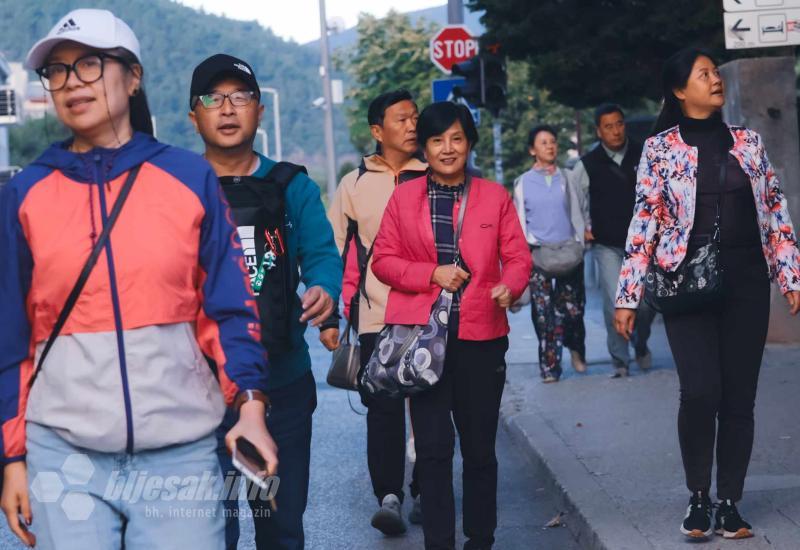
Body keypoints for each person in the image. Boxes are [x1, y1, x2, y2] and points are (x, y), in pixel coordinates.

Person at [0, 9, 277, 550]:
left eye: (88, 65)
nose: (71, 82)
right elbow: (10, 338)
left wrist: (250, 404)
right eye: (56, 72)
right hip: (64, 451)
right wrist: (12, 457)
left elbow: (227, 307)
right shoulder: (26, 194)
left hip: (182, 451)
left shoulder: (186, 177)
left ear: (133, 77)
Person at [614, 47, 800, 541]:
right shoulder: (658, 149)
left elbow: (776, 212)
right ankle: (698, 498)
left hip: (746, 283)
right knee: (700, 392)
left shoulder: (749, 143)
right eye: (703, 74)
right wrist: (627, 295)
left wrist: (790, 275)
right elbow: (644, 222)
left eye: (715, 72)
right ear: (679, 91)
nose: (715, 79)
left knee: (739, 398)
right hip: (685, 283)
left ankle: (730, 502)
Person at [188, 53, 342, 549]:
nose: (228, 108)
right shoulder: (174, 187)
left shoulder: (292, 185)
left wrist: (323, 288)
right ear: (195, 116)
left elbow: (321, 254)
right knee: (209, 529)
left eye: (241, 97)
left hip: (283, 384)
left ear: (258, 110)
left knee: (278, 524)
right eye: (214, 98)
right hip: (194, 389)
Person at [371, 101, 531, 550]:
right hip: (423, 342)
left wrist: (510, 286)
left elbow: (518, 257)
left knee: (480, 450)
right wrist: (431, 274)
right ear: (424, 146)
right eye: (437, 140)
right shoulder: (404, 198)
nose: (447, 148)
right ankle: (438, 542)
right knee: (435, 451)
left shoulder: (494, 197)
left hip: (482, 339)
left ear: (469, 143)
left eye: (457, 138)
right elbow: (382, 260)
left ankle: (481, 539)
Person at [326, 89, 426, 535]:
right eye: (402, 119)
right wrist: (329, 316)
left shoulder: (436, 173)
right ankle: (389, 496)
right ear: (376, 130)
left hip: (433, 313)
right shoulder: (353, 184)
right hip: (376, 317)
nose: (411, 126)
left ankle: (426, 484)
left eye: (415, 118)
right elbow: (329, 253)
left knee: (430, 407)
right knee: (384, 410)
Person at [571, 104, 656, 377]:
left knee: (644, 304)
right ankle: (620, 360)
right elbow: (574, 201)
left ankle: (640, 343)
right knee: (615, 303)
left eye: (619, 124)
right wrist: (583, 227)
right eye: (608, 126)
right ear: (598, 131)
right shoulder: (587, 164)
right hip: (607, 245)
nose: (615, 130)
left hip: (643, 245)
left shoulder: (644, 154)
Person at [513, 125, 589, 383]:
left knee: (572, 311)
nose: (550, 146)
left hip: (569, 251)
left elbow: (582, 209)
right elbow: (519, 220)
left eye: (553, 141)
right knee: (544, 315)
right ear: (533, 150)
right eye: (543, 142)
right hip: (538, 255)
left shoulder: (569, 178)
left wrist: (583, 236)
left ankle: (576, 346)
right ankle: (550, 368)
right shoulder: (522, 183)